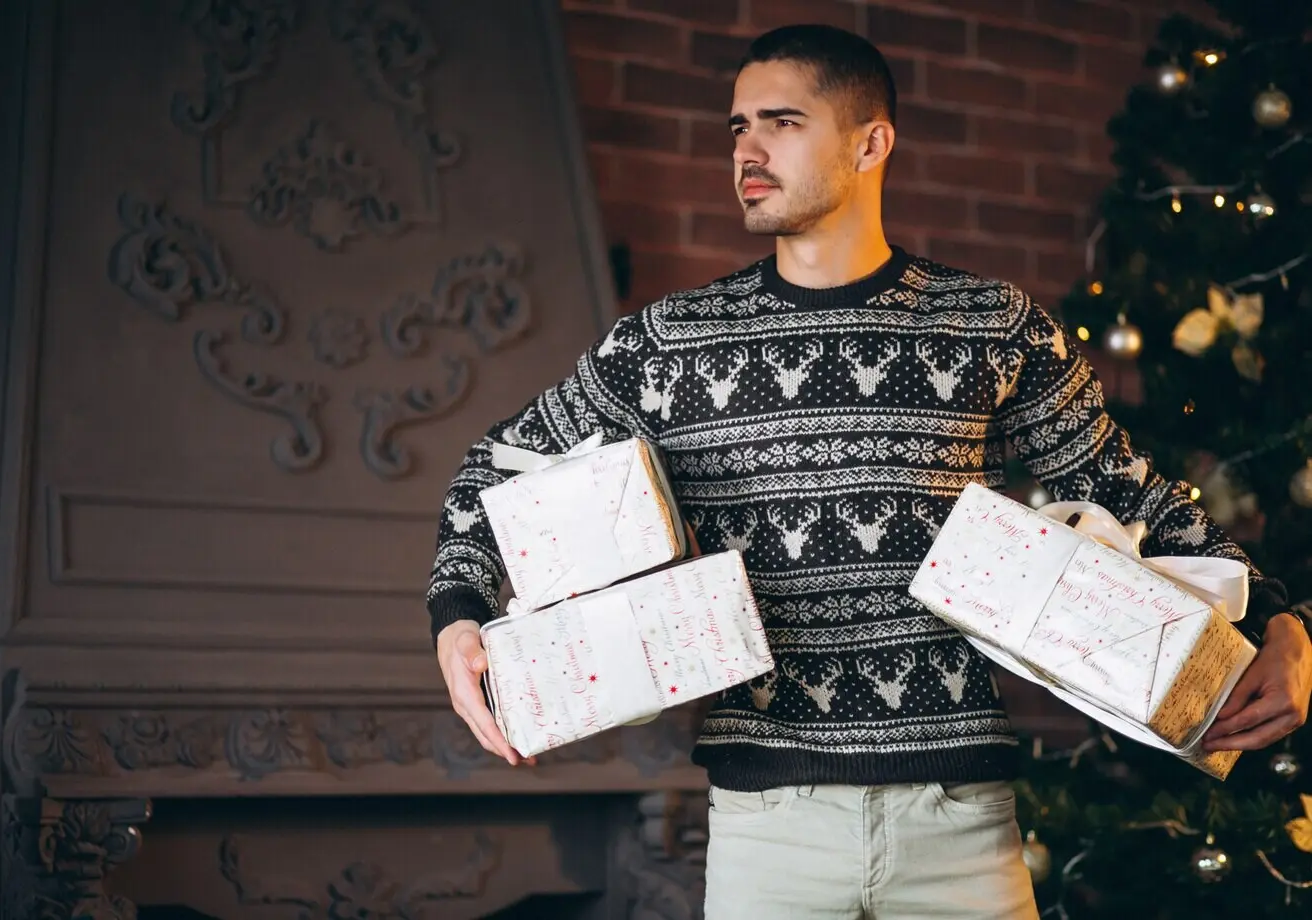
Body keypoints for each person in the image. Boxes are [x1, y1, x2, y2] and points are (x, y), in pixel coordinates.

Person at [426, 23, 1312, 919]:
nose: (749, 149)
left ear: (870, 142)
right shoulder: (666, 343)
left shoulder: (991, 325)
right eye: (738, 127)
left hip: (961, 819)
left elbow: (1133, 494)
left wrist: (1282, 620)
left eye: (782, 121)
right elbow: (496, 468)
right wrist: (458, 616)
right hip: (766, 821)